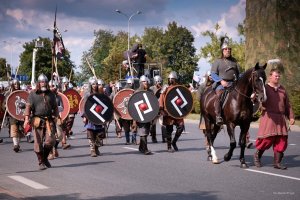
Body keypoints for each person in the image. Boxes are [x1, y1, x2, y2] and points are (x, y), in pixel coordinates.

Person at [254, 68, 295, 170]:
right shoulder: (265, 88)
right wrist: (257, 101)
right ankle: (257, 157)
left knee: (281, 141)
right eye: (275, 76)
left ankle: (277, 163)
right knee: (266, 140)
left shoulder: (282, 89)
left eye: (278, 76)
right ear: (270, 77)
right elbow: (257, 99)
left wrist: (291, 116)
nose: (277, 77)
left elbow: (287, 105)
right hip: (269, 117)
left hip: (280, 118)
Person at [24, 74, 58, 170]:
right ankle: (41, 162)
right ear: (39, 83)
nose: (43, 83)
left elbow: (55, 106)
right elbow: (28, 106)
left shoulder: (51, 94)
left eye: (45, 82)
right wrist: (26, 119)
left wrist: (56, 116)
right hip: (37, 120)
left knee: (50, 141)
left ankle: (44, 158)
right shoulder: (33, 94)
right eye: (42, 82)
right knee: (38, 142)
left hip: (49, 120)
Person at [210, 37, 240, 125]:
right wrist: (221, 81)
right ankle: (218, 116)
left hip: (233, 83)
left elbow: (239, 74)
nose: (228, 50)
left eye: (229, 49)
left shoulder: (234, 61)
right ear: (222, 50)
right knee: (219, 95)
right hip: (221, 84)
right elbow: (213, 74)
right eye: (226, 49)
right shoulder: (217, 61)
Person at [159, 71, 184, 152]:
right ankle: (169, 146)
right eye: (170, 79)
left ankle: (174, 142)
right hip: (168, 112)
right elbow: (161, 98)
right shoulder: (165, 88)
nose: (171, 80)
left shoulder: (179, 88)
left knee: (181, 126)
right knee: (169, 130)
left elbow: (183, 99)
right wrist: (161, 109)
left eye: (173, 78)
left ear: (176, 79)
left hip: (177, 112)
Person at [82, 78, 105, 157]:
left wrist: (106, 116)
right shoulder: (87, 94)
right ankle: (92, 150)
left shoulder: (100, 93)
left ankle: (96, 147)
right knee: (91, 134)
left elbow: (104, 104)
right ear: (90, 85)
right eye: (93, 84)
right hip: (90, 116)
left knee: (100, 134)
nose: (95, 86)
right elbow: (85, 106)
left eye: (96, 84)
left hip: (99, 115)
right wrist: (85, 116)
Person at [136, 75, 152, 155]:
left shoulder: (150, 92)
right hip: (140, 115)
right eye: (143, 81)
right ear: (140, 83)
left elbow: (153, 103)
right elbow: (134, 105)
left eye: (146, 81)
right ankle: (145, 149)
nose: (145, 82)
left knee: (147, 131)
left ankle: (141, 147)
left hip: (148, 115)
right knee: (143, 132)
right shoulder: (137, 92)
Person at [149, 75, 163, 143]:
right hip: (154, 108)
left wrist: (162, 90)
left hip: (161, 109)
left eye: (160, 82)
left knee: (163, 123)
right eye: (157, 82)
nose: (159, 83)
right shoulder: (151, 89)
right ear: (155, 82)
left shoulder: (163, 88)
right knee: (153, 124)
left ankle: (165, 138)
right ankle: (153, 137)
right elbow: (150, 98)